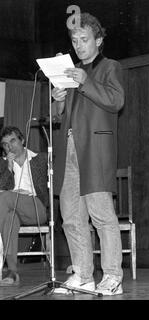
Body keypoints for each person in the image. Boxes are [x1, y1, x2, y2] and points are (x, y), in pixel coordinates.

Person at [51, 12, 125, 295]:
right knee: (70, 215)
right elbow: (65, 116)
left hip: (95, 150)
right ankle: (82, 274)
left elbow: (116, 101)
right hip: (69, 149)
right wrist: (58, 100)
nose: (79, 45)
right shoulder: (71, 74)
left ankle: (112, 276)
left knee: (101, 215)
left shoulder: (110, 67)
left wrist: (85, 82)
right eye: (75, 40)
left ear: (99, 40)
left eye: (84, 39)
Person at [0, 126, 48, 286]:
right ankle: (12, 272)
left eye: (13, 141)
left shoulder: (40, 159)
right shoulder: (3, 164)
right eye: (5, 144)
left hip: (37, 206)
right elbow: (2, 186)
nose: (10, 147)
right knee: (8, 219)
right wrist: (9, 166)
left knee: (6, 196)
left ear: (22, 140)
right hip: (13, 208)